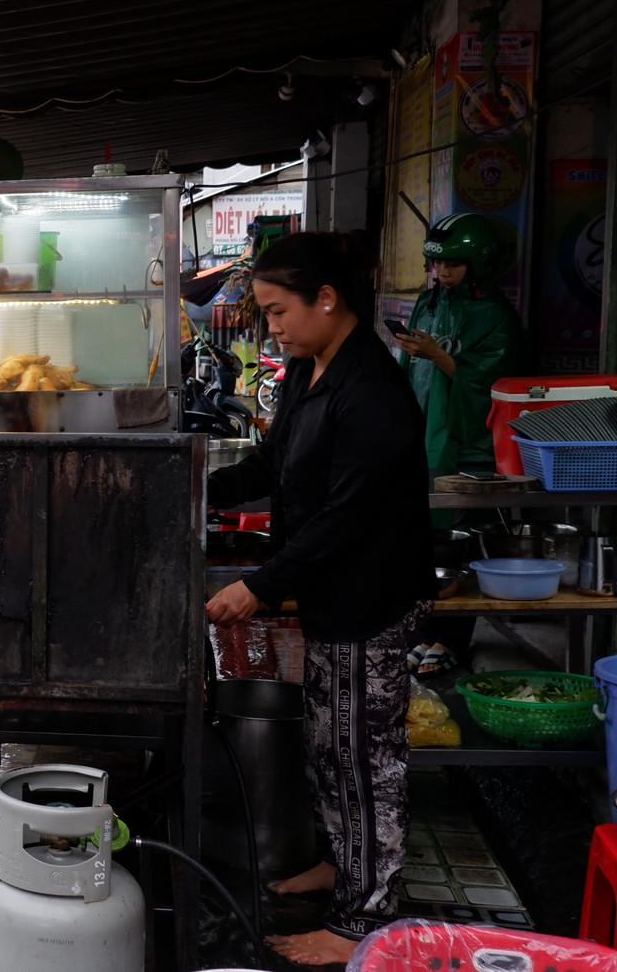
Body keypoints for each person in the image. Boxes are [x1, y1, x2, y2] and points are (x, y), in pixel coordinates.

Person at [202, 232, 432, 965]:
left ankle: (366, 919)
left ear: (326, 300)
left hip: (372, 597)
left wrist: (261, 584)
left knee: (367, 757)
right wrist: (193, 490)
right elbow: (274, 461)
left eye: (277, 311)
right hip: (332, 596)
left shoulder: (372, 391)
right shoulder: (309, 370)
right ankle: (343, 864)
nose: (271, 326)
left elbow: (347, 515)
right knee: (329, 747)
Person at [396, 213, 525, 475]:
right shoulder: (427, 302)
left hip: (467, 449)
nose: (442, 271)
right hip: (418, 432)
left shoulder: (496, 316)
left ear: (478, 263)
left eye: (453, 264)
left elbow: (488, 384)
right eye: (438, 262)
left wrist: (436, 355)